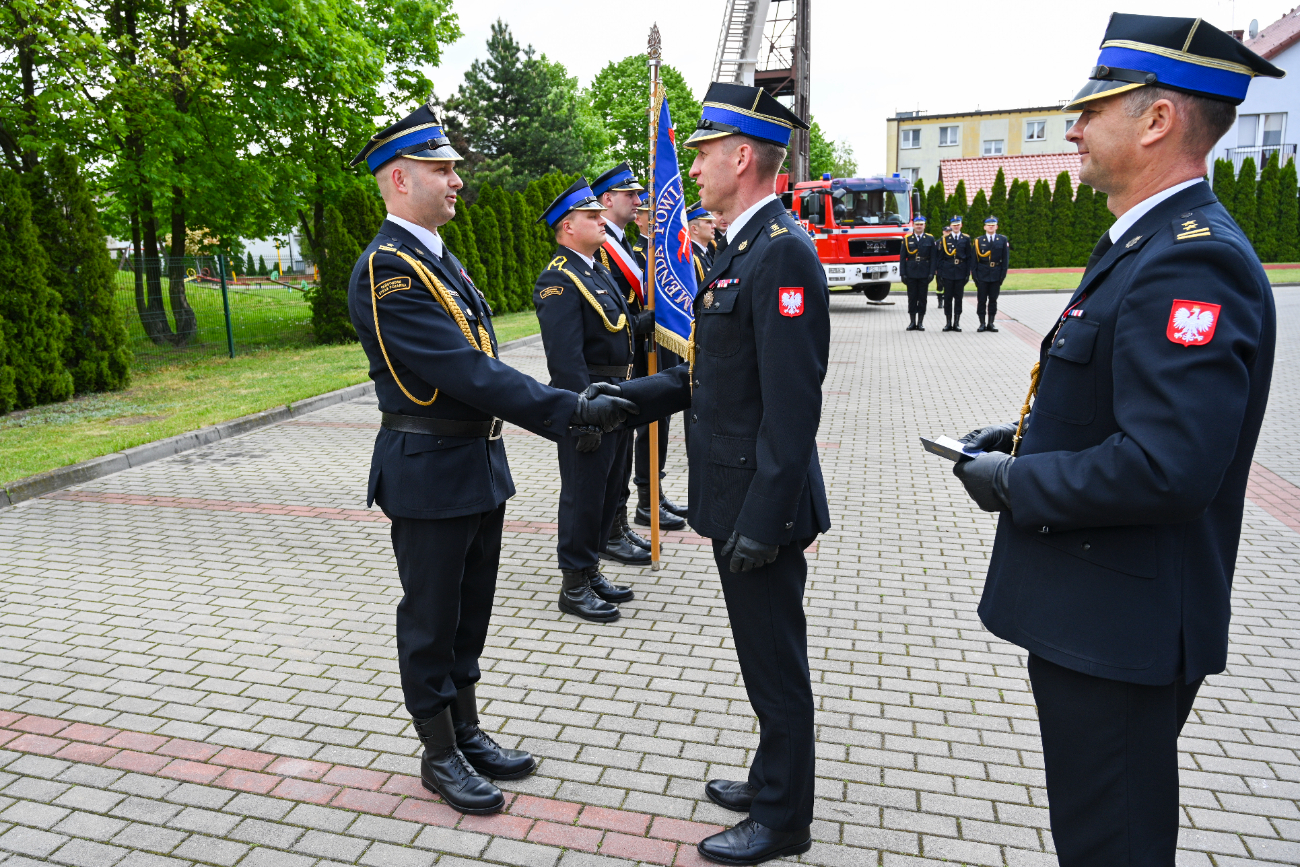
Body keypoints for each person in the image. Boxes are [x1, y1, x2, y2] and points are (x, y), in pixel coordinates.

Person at [950, 14, 1280, 866]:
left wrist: (1015, 482)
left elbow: (1166, 468)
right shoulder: (1146, 245)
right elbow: (1111, 408)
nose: (1073, 127)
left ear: (1159, 120)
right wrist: (1018, 440)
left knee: (1113, 846)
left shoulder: (1190, 261)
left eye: (1094, 108)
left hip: (1123, 631)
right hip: (1098, 616)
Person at [345, 105, 637, 815]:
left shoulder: (436, 257)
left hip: (476, 463)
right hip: (428, 465)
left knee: (469, 614)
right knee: (431, 617)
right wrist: (565, 411)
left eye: (453, 167)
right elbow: (465, 370)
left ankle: (467, 730)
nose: (456, 179)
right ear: (398, 178)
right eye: (442, 168)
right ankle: (438, 751)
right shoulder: (388, 269)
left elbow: (482, 364)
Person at [590, 81, 828, 866]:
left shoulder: (783, 251)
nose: (691, 169)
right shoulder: (737, 247)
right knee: (761, 660)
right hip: (733, 499)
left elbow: (791, 414)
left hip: (763, 505)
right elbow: (710, 380)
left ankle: (783, 819)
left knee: (776, 666)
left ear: (742, 155)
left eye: (701, 154)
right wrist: (625, 398)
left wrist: (763, 518)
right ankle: (770, 780)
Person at [533, 178, 655, 622]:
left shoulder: (596, 268)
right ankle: (574, 583)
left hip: (617, 397)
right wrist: (582, 415)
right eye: (590, 216)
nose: (601, 220)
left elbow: (616, 327)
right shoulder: (558, 279)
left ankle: (592, 568)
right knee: (584, 495)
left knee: (609, 489)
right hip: (590, 403)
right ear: (567, 227)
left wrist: (649, 320)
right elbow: (566, 361)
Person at [589, 163, 659, 565]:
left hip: (631, 363)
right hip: (611, 368)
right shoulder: (601, 249)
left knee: (624, 456)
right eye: (629, 194)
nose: (638, 200)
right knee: (612, 459)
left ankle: (616, 526)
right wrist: (638, 324)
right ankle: (608, 531)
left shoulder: (626, 247)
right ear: (606, 200)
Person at [972, 215, 1009, 332]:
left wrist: (1002, 275)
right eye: (989, 225)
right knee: (981, 300)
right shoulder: (978, 241)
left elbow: (1005, 259)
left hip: (996, 274)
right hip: (982, 274)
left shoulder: (1002, 240)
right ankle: (982, 323)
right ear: (985, 227)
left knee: (993, 300)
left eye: (993, 225)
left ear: (996, 227)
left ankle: (991, 323)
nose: (991, 227)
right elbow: (974, 260)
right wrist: (975, 276)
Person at [899, 214, 936, 330]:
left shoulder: (930, 239)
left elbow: (933, 258)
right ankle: (912, 322)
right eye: (917, 224)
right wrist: (903, 273)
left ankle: (920, 322)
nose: (919, 226)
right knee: (912, 297)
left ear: (924, 226)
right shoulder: (907, 239)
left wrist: (931, 273)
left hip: (924, 272)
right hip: (911, 272)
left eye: (921, 224)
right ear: (913, 225)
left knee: (922, 298)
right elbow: (902, 258)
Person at [937, 216, 971, 331]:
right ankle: (948, 323)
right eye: (954, 225)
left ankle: (956, 322)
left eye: (958, 224)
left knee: (958, 298)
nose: (956, 226)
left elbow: (969, 258)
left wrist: (967, 274)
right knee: (947, 298)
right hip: (948, 271)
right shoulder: (945, 239)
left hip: (960, 271)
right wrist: (940, 274)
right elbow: (940, 258)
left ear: (961, 225)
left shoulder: (966, 239)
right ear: (951, 226)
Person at [687, 201, 716, 283]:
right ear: (694, 229)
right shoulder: (691, 257)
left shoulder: (705, 253)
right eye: (708, 222)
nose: (714, 226)